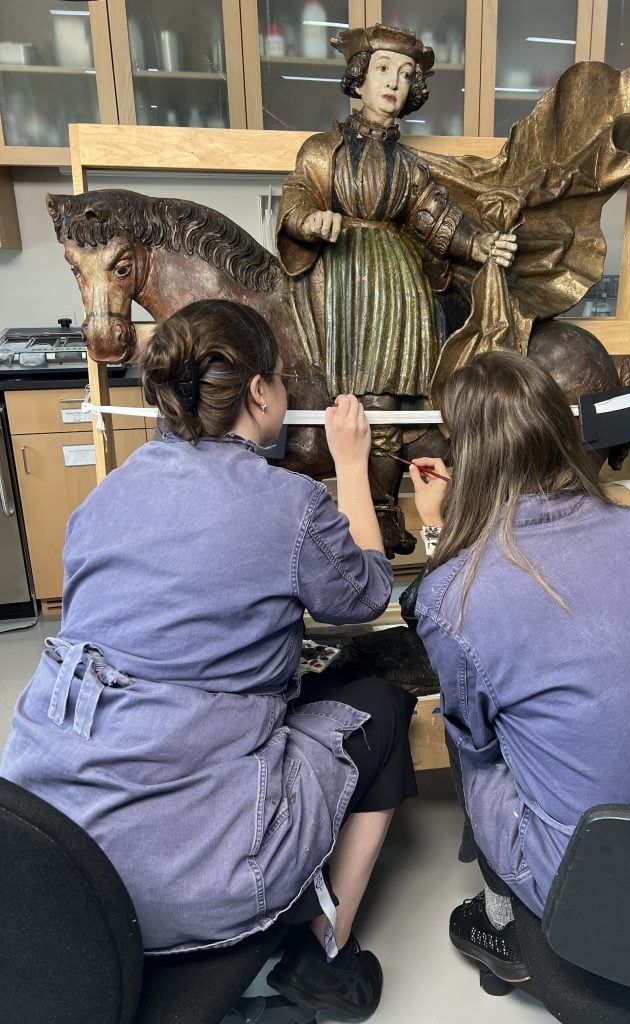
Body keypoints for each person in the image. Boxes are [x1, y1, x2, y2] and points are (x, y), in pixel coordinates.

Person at [0, 298, 418, 1022]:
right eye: (284, 381)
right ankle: (324, 949)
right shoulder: (289, 502)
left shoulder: (104, 497)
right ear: (259, 391)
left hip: (48, 864)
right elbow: (364, 593)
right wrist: (353, 463)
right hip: (195, 879)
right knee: (383, 702)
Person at [407, 349, 630, 986]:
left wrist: (439, 535)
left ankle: (500, 918)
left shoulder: (455, 595)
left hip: (604, 873)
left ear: (463, 459)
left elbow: (480, 736)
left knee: (473, 746)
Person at [276, 23, 518, 551]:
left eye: (406, 75)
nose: (395, 83)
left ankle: (382, 509)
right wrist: (310, 221)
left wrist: (480, 246)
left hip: (396, 285)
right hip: (339, 281)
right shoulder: (323, 151)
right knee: (340, 392)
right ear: (359, 81)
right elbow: (295, 200)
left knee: (385, 397)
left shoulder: (408, 165)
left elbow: (435, 218)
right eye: (384, 70)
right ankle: (348, 513)